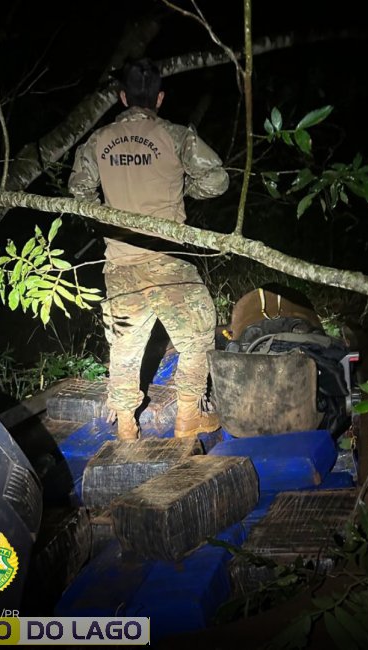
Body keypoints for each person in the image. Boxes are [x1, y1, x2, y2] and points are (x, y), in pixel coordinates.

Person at [68, 58, 229, 441]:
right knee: (199, 335)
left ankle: (126, 426)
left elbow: (79, 192)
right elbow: (217, 180)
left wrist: (110, 216)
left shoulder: (98, 140)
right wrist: (184, 190)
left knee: (124, 346)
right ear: (159, 98)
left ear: (123, 97)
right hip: (167, 262)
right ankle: (188, 417)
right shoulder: (175, 136)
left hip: (120, 264)